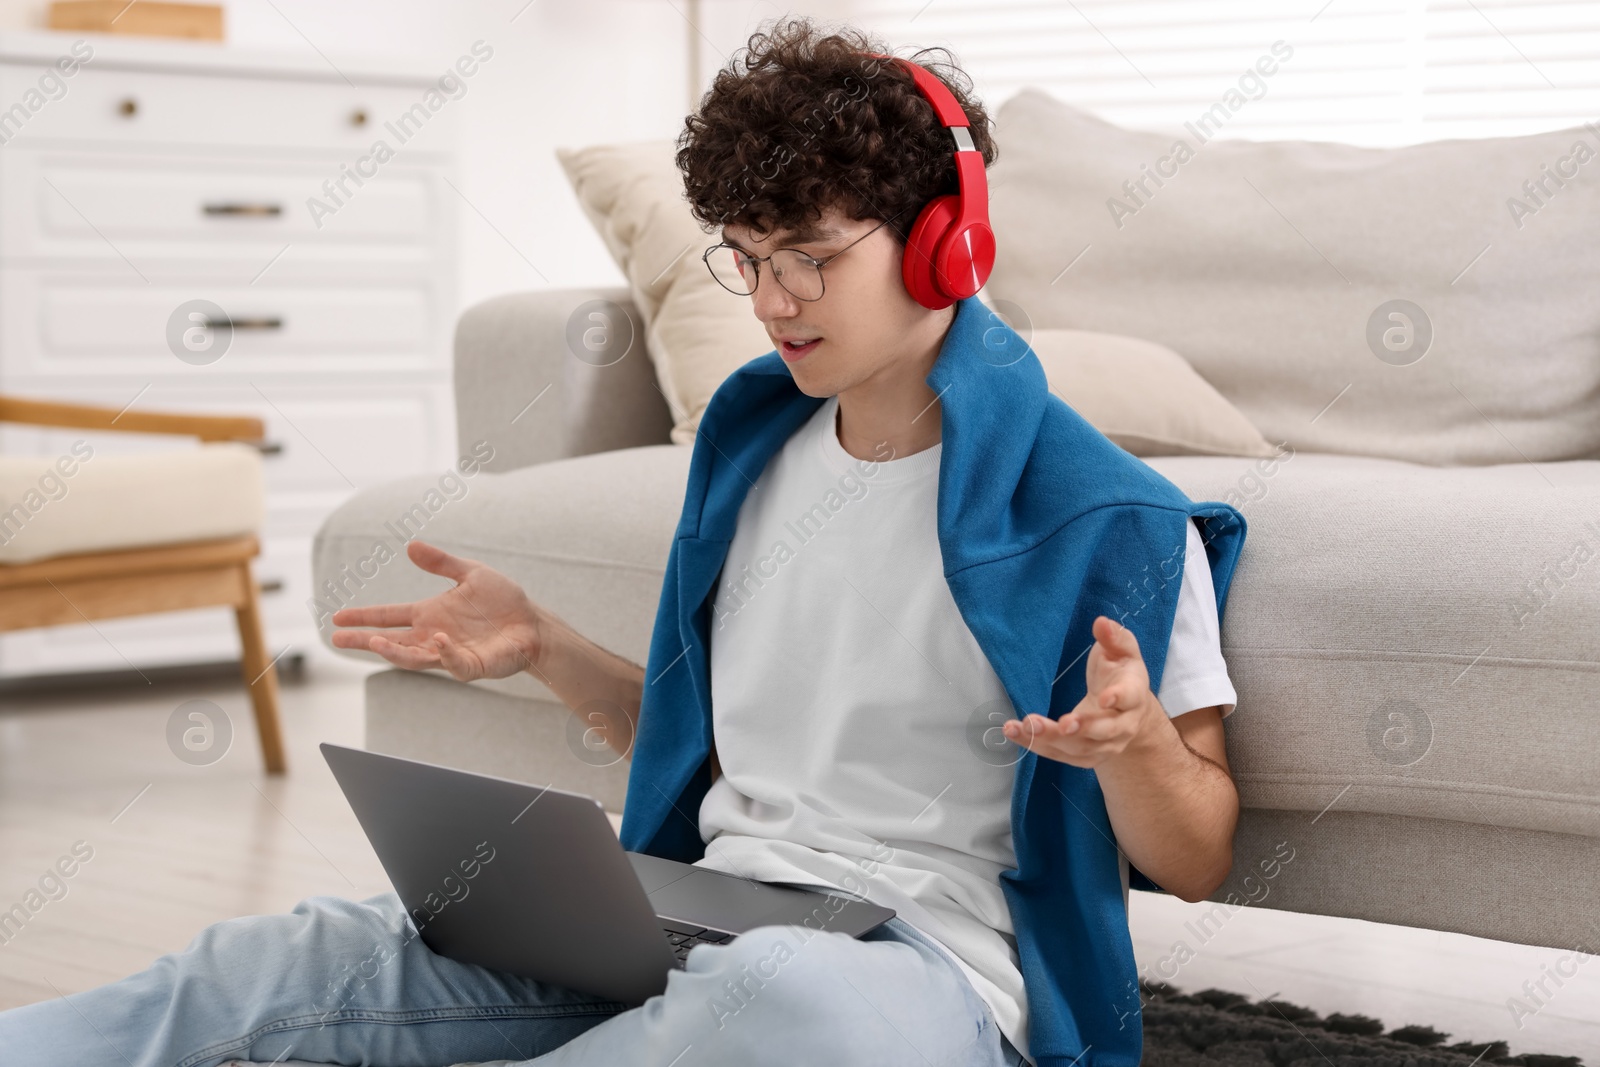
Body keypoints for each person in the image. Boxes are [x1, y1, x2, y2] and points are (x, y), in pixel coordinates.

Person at [0, 16, 1243, 1067]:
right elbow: (717, 747)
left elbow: (1194, 854)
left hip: (923, 973)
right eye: (747, 259)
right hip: (706, 910)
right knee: (314, 950)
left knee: (781, 996)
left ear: (943, 240)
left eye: (808, 258)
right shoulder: (754, 450)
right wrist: (545, 646)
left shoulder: (1106, 514)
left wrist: (1130, 747)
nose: (769, 301)